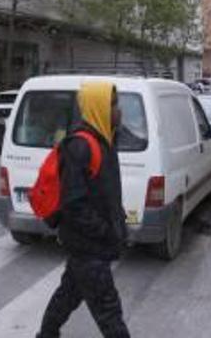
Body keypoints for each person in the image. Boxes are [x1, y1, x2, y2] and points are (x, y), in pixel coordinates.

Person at [37, 82, 130, 338]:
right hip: (89, 246)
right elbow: (74, 204)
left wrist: (118, 220)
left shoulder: (105, 139)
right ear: (98, 107)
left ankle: (46, 335)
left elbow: (104, 193)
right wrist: (106, 231)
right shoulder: (80, 146)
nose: (118, 110)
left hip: (89, 245)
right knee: (110, 312)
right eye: (113, 105)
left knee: (68, 295)